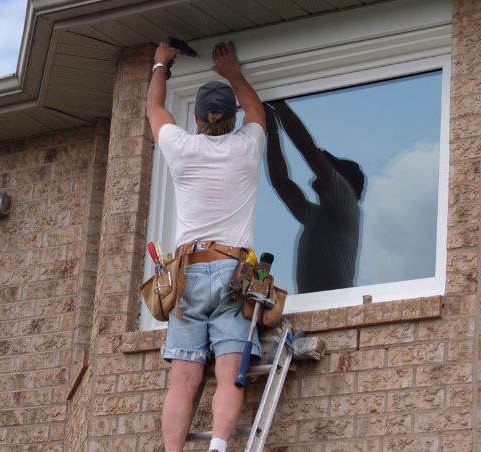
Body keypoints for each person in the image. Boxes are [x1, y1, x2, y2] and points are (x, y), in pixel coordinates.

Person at [146, 41, 266, 452]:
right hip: (236, 271)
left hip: (188, 272)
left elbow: (155, 111)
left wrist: (162, 63)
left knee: (184, 377)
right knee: (231, 369)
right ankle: (217, 446)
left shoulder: (182, 149)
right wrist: (232, 72)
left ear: (196, 119)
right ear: (232, 119)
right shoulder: (246, 148)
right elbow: (259, 112)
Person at [265, 100, 364, 294]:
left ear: (348, 182)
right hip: (314, 308)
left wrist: (278, 101)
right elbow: (280, 180)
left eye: (331, 166)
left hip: (336, 309)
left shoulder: (346, 200)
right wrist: (273, 131)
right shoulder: (318, 217)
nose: (323, 168)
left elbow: (307, 148)